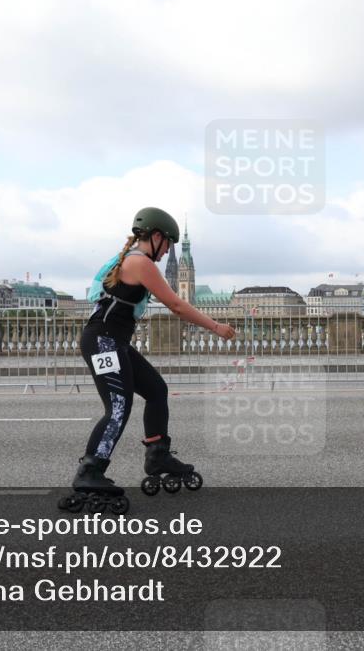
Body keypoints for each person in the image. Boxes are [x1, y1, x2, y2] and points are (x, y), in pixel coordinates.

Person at [59, 207, 236, 513]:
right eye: (167, 243)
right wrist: (216, 327)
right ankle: (91, 470)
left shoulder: (129, 259)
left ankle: (157, 454)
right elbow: (177, 305)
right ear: (155, 237)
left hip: (113, 342)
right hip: (103, 343)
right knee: (118, 408)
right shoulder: (140, 262)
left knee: (156, 390)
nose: (168, 251)